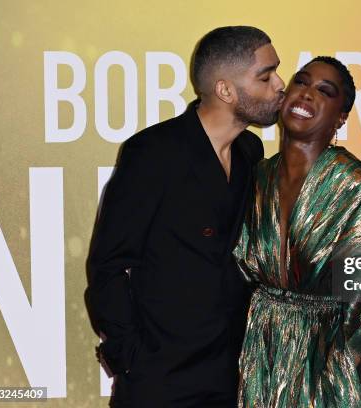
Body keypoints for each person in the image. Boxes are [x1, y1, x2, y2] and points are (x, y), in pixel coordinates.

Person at [86, 26, 284, 407]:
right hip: (162, 379)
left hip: (232, 375)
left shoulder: (249, 151)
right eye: (266, 75)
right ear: (226, 90)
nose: (280, 84)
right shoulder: (153, 153)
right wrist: (131, 358)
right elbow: (108, 266)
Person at [233, 56, 361, 407]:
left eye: (325, 91)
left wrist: (353, 349)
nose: (307, 94)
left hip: (332, 370)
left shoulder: (355, 183)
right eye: (301, 82)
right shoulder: (259, 177)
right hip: (268, 353)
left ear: (340, 117)